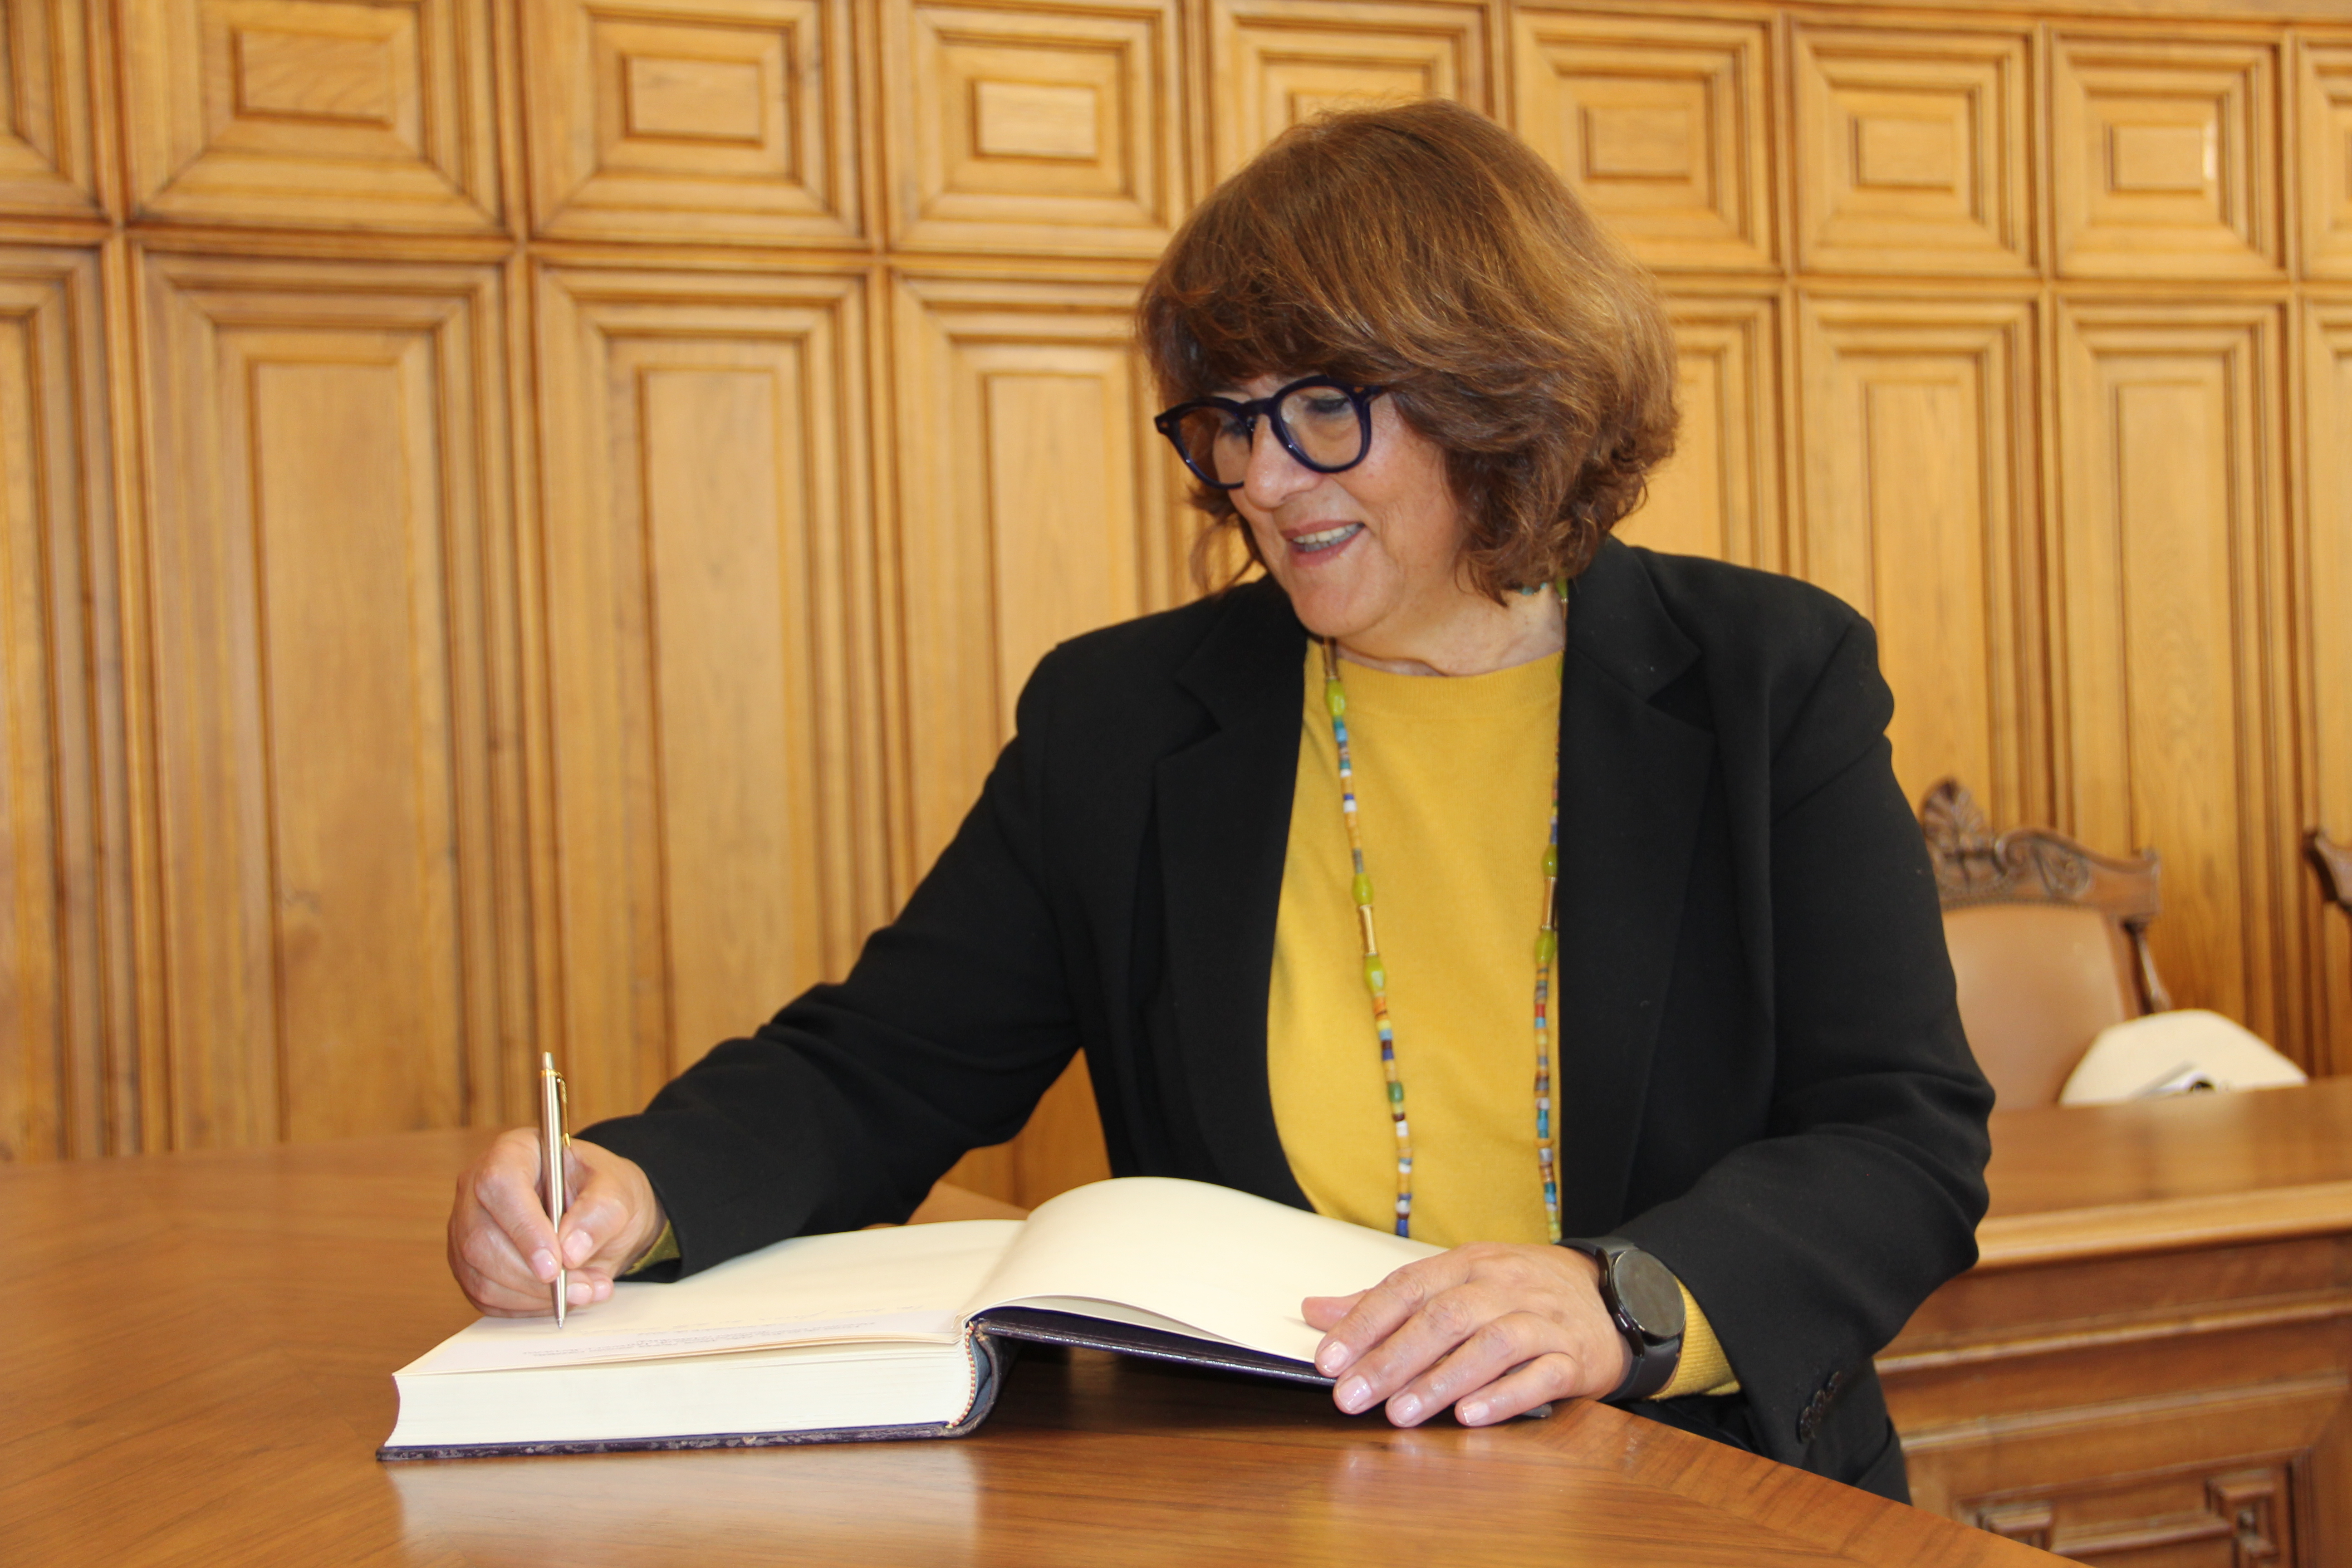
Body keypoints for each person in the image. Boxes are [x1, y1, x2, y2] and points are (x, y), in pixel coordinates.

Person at [445, 99, 1992, 1500]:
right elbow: (885, 1066)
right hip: (1270, 1499)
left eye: (1322, 408)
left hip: (1697, 1487)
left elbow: (1899, 1140)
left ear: (1494, 391)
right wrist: (634, 1193)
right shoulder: (1121, 719)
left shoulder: (1765, 680)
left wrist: (1621, 1301)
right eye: (1228, 420)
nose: (1259, 476)